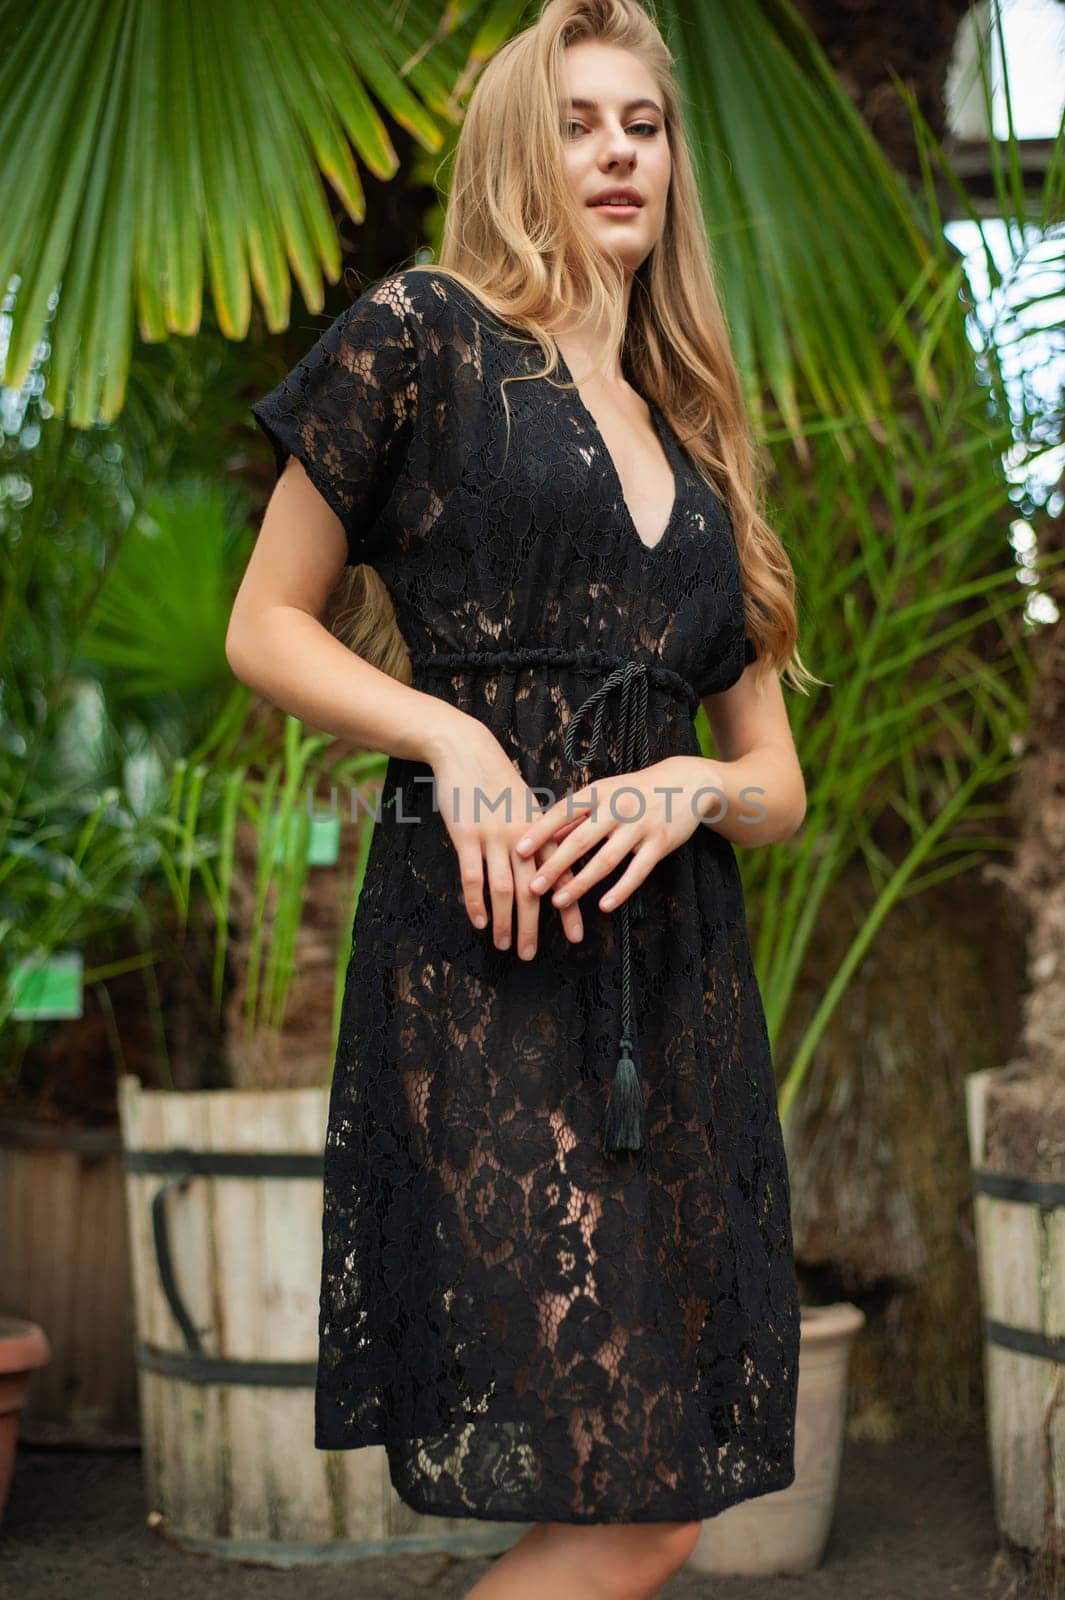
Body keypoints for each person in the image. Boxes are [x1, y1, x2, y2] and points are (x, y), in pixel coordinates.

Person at [231, 0, 813, 1593]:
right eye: (575, 120)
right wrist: (447, 735)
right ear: (513, 151)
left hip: (677, 997)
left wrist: (697, 781)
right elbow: (262, 625)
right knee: (637, 1505)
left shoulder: (696, 426)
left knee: (665, 1498)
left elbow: (778, 787)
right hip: (481, 970)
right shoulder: (418, 334)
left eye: (643, 121)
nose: (617, 149)